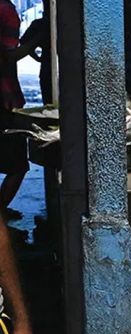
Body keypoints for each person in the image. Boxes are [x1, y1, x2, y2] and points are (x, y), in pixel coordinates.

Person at [0, 0, 29, 216]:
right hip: (4, 96)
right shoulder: (5, 9)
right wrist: (39, 38)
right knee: (18, 165)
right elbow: (10, 54)